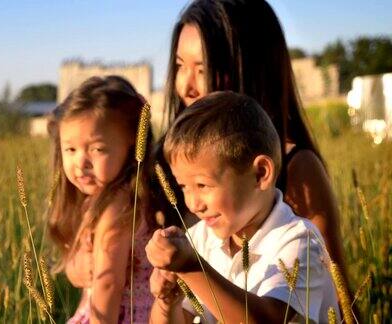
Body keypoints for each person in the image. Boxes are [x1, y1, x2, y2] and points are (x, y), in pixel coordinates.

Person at [158, 0, 348, 293]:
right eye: (181, 66)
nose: (185, 86)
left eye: (202, 68)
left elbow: (340, 298)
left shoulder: (298, 167)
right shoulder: (166, 163)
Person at [146, 91, 340, 323]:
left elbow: (267, 320)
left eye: (202, 185)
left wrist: (192, 268)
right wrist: (167, 303)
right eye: (184, 187)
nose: (193, 204)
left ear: (260, 174)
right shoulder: (199, 239)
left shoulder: (300, 240)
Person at [47, 76, 155, 323]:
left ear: (131, 143)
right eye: (70, 149)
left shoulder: (118, 207)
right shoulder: (100, 201)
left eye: (96, 149)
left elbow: (108, 284)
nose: (81, 163)